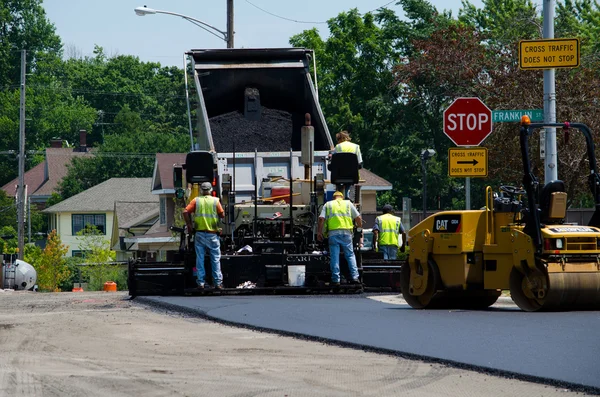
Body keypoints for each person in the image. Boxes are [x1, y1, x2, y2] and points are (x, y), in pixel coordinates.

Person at [183, 182, 225, 289]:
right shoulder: (215, 201)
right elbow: (222, 214)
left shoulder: (196, 200)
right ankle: (217, 283)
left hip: (200, 234)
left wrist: (189, 225)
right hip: (212, 235)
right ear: (210, 190)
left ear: (201, 190)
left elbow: (185, 212)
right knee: (215, 259)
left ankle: (201, 282)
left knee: (200, 258)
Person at [317, 191, 363, 286]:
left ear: (334, 198)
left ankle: (336, 279)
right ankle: (355, 277)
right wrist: (359, 228)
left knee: (334, 256)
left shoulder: (328, 204)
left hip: (333, 233)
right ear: (342, 197)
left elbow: (321, 219)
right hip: (347, 233)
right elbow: (358, 217)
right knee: (350, 255)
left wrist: (319, 232)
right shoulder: (348, 203)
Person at [333, 131, 363, 199]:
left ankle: (340, 195)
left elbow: (333, 163)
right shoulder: (356, 147)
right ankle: (347, 195)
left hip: (339, 175)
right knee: (349, 182)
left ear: (340, 139)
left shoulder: (337, 147)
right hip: (352, 176)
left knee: (339, 184)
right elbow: (360, 163)